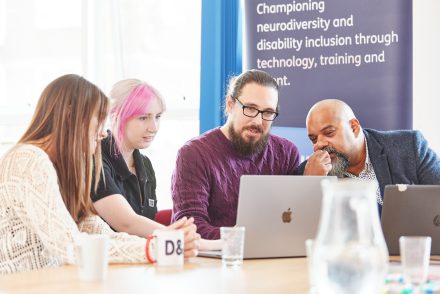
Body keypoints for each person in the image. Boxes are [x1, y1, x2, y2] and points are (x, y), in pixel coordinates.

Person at [0, 74, 197, 274]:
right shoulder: (28, 160)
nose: (104, 133)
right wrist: (157, 247)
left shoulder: (59, 167)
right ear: (70, 118)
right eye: (99, 122)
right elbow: (68, 245)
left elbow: (96, 231)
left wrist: (163, 242)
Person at [171, 69, 302, 240]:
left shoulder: (286, 153)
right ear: (230, 105)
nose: (257, 121)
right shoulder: (193, 154)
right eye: (250, 108)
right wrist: (246, 238)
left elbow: (294, 220)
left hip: (275, 259)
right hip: (215, 263)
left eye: (268, 112)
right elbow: (191, 229)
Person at [91, 79, 217, 250]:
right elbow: (126, 223)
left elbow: (145, 226)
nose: (154, 127)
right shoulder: (95, 158)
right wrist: (201, 243)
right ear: (115, 116)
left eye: (157, 117)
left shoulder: (144, 164)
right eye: (143, 118)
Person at [297, 98, 440, 212]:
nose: (319, 144)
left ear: (354, 127)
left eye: (329, 133)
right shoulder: (309, 173)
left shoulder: (409, 146)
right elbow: (300, 234)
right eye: (313, 139)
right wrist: (312, 185)